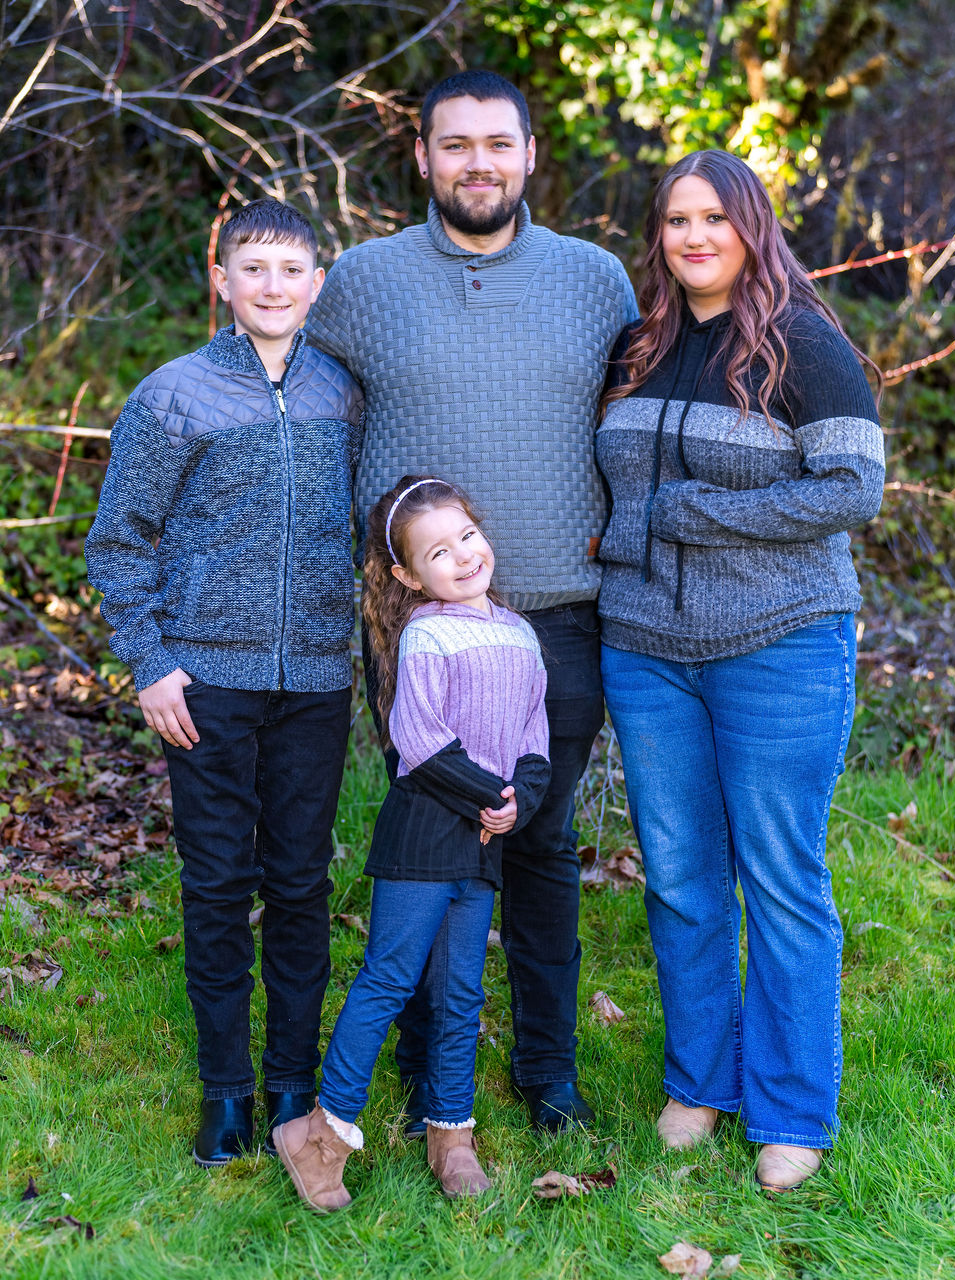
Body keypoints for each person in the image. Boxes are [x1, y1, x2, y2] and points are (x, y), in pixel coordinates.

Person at [305, 70, 638, 1133]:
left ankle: (548, 1076)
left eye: (499, 143)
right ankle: (421, 1077)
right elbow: (302, 414)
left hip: (558, 617)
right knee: (433, 838)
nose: (478, 163)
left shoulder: (595, 280)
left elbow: (637, 426)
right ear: (422, 157)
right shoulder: (362, 281)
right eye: (455, 144)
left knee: (537, 842)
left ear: (532, 153)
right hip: (416, 629)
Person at [596, 150, 885, 1191]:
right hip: (644, 649)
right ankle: (698, 1083)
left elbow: (853, 487)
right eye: (677, 219)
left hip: (780, 642)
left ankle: (792, 1108)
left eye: (715, 217)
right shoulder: (638, 344)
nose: (695, 237)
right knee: (680, 879)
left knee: (780, 878)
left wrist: (705, 514)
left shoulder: (804, 342)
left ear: (750, 227)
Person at [84, 199, 364, 1166]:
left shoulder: (341, 393)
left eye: (290, 271)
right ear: (222, 280)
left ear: (316, 283)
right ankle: (226, 1092)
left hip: (316, 679)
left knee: (300, 881)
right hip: (204, 680)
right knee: (215, 883)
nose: (272, 287)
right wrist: (152, 664)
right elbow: (118, 540)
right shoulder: (176, 396)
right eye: (253, 269)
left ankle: (291, 1081)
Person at [273, 476, 550, 1208]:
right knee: (390, 981)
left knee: (461, 993)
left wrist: (522, 797)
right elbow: (420, 741)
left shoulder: (520, 634)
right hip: (423, 839)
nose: (462, 556)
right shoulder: (426, 634)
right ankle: (320, 1135)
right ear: (408, 576)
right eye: (438, 552)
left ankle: (450, 1135)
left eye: (466, 536)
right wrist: (491, 796)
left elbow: (534, 734)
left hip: (483, 842)